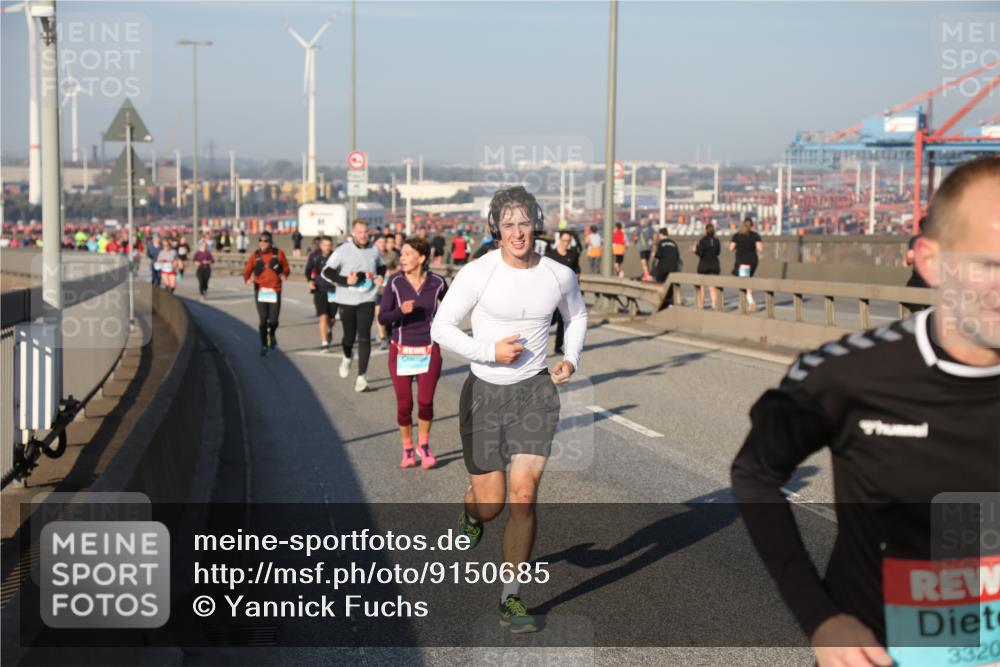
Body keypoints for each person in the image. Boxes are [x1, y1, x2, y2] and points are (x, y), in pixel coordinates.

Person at [731, 157, 1000, 667]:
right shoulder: (848, 374)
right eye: (990, 265)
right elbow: (754, 473)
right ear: (931, 262)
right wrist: (819, 617)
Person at [431, 186, 588, 634]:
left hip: (535, 391)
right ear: (496, 230)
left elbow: (576, 316)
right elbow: (441, 327)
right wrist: (489, 352)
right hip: (485, 391)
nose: (517, 233)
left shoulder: (558, 274)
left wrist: (570, 358)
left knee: (523, 495)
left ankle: (510, 598)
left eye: (524, 223)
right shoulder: (478, 273)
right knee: (491, 504)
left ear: (535, 225)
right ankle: (471, 511)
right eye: (508, 225)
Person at [378, 237, 447, 469]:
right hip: (401, 350)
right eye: (402, 254)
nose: (403, 258)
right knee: (404, 404)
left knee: (425, 401)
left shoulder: (438, 283)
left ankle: (423, 446)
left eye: (407, 254)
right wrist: (400, 311)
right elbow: (383, 317)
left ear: (422, 258)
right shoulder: (395, 282)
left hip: (429, 348)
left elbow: (452, 309)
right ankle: (408, 448)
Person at [322, 219, 386, 392]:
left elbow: (382, 266)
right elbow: (326, 271)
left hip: (368, 298)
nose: (363, 235)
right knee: (349, 337)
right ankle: (347, 356)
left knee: (364, 336)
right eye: (360, 232)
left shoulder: (374, 249)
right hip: (346, 299)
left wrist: (380, 276)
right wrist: (344, 280)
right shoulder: (343, 250)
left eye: (365, 232)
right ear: (353, 233)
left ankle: (361, 378)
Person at [243, 231, 290, 356]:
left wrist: (284, 275)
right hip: (260, 290)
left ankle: (272, 334)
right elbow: (247, 270)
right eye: (260, 240)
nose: (263, 243)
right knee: (263, 320)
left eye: (266, 240)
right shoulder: (255, 255)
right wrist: (247, 279)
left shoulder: (278, 253)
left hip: (275, 290)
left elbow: (286, 268)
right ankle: (264, 344)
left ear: (271, 242)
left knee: (273, 321)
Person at [545, 230, 581, 355]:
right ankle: (539, 343)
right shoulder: (550, 255)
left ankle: (558, 346)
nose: (566, 243)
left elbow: (576, 270)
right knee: (551, 320)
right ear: (559, 240)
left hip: (566, 294)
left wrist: (576, 286)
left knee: (563, 320)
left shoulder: (573, 255)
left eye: (568, 241)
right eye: (564, 240)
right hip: (551, 294)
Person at [306, 236, 338, 350]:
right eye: (325, 245)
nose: (327, 247)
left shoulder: (336, 256)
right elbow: (308, 270)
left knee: (332, 318)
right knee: (323, 316)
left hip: (333, 290)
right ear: (320, 245)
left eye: (329, 245)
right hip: (319, 289)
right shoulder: (314, 256)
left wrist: (339, 281)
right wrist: (310, 281)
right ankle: (324, 343)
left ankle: (329, 329)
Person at [729, 217, 763, 312]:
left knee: (745, 283)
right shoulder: (755, 235)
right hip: (753, 261)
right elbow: (760, 248)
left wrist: (737, 246)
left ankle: (751, 301)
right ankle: (744, 302)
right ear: (752, 225)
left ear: (743, 224)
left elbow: (731, 248)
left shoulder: (737, 235)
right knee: (747, 280)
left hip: (743, 262)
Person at [903, 216, 930, 313]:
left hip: (918, 278)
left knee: (914, 309)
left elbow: (909, 260)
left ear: (920, 227)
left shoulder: (915, 240)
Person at [694, 223, 721, 309]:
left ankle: (701, 304)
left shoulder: (702, 240)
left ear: (706, 231)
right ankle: (714, 304)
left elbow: (700, 253)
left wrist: (695, 250)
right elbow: (718, 252)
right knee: (712, 286)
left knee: (702, 286)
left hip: (704, 265)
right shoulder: (716, 240)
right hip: (714, 264)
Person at [653, 227, 681, 307]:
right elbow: (677, 256)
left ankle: (661, 302)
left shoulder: (661, 243)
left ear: (661, 234)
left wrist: (654, 254)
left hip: (663, 267)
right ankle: (671, 302)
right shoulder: (673, 243)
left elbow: (658, 255)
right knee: (671, 285)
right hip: (673, 267)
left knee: (660, 284)